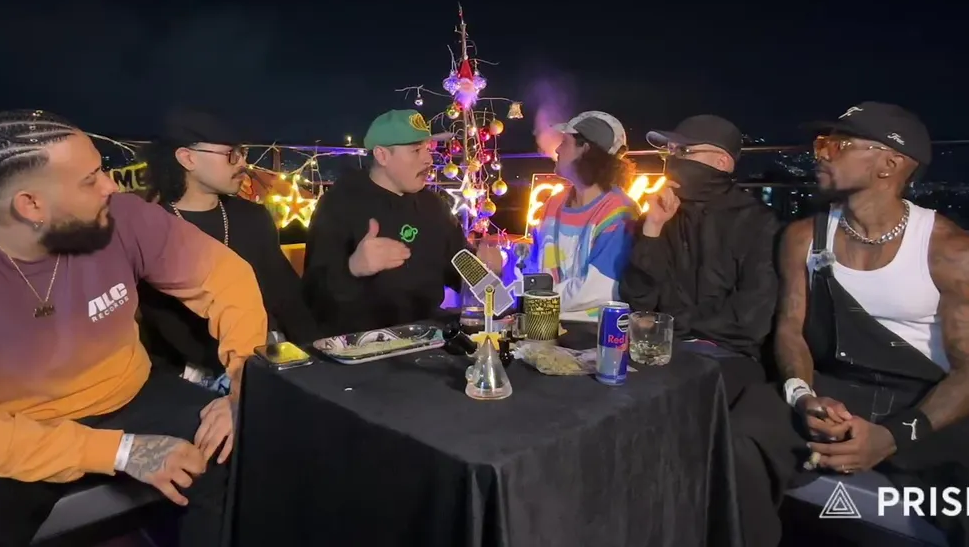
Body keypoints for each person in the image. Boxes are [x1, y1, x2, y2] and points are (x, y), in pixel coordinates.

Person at [0, 110, 269, 547]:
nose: (111, 186)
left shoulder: (122, 218)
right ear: (31, 205)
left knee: (250, 449)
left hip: (129, 395)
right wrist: (121, 451)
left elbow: (225, 278)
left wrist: (242, 385)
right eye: (90, 179)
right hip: (8, 430)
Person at [773, 102, 969, 547]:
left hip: (923, 405)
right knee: (738, 434)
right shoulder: (802, 238)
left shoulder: (953, 253)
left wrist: (891, 437)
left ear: (889, 164)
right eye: (820, 144)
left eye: (836, 145)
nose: (821, 155)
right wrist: (803, 396)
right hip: (831, 390)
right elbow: (791, 328)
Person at [617, 114, 791, 547]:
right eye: (668, 152)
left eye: (683, 152)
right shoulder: (665, 214)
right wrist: (652, 229)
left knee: (666, 406)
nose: (671, 160)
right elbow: (639, 299)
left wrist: (673, 322)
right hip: (665, 349)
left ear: (721, 162)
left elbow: (749, 322)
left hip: (731, 359)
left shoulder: (761, 225)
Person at [139, 108, 319, 390]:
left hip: (265, 363)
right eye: (231, 154)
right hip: (187, 382)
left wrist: (317, 358)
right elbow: (158, 325)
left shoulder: (253, 217)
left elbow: (286, 297)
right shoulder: (148, 229)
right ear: (187, 158)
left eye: (243, 152)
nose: (243, 163)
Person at [303, 109, 503, 337]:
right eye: (416, 150)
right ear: (382, 155)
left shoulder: (433, 206)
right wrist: (353, 268)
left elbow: (461, 272)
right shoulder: (340, 204)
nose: (428, 159)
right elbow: (313, 298)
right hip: (360, 342)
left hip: (429, 336)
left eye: (428, 149)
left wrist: (487, 271)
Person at [526, 111, 638, 315]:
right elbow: (535, 266)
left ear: (585, 149)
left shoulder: (620, 213)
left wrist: (531, 299)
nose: (557, 149)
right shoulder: (553, 204)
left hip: (593, 331)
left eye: (565, 142)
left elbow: (598, 289)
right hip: (540, 325)